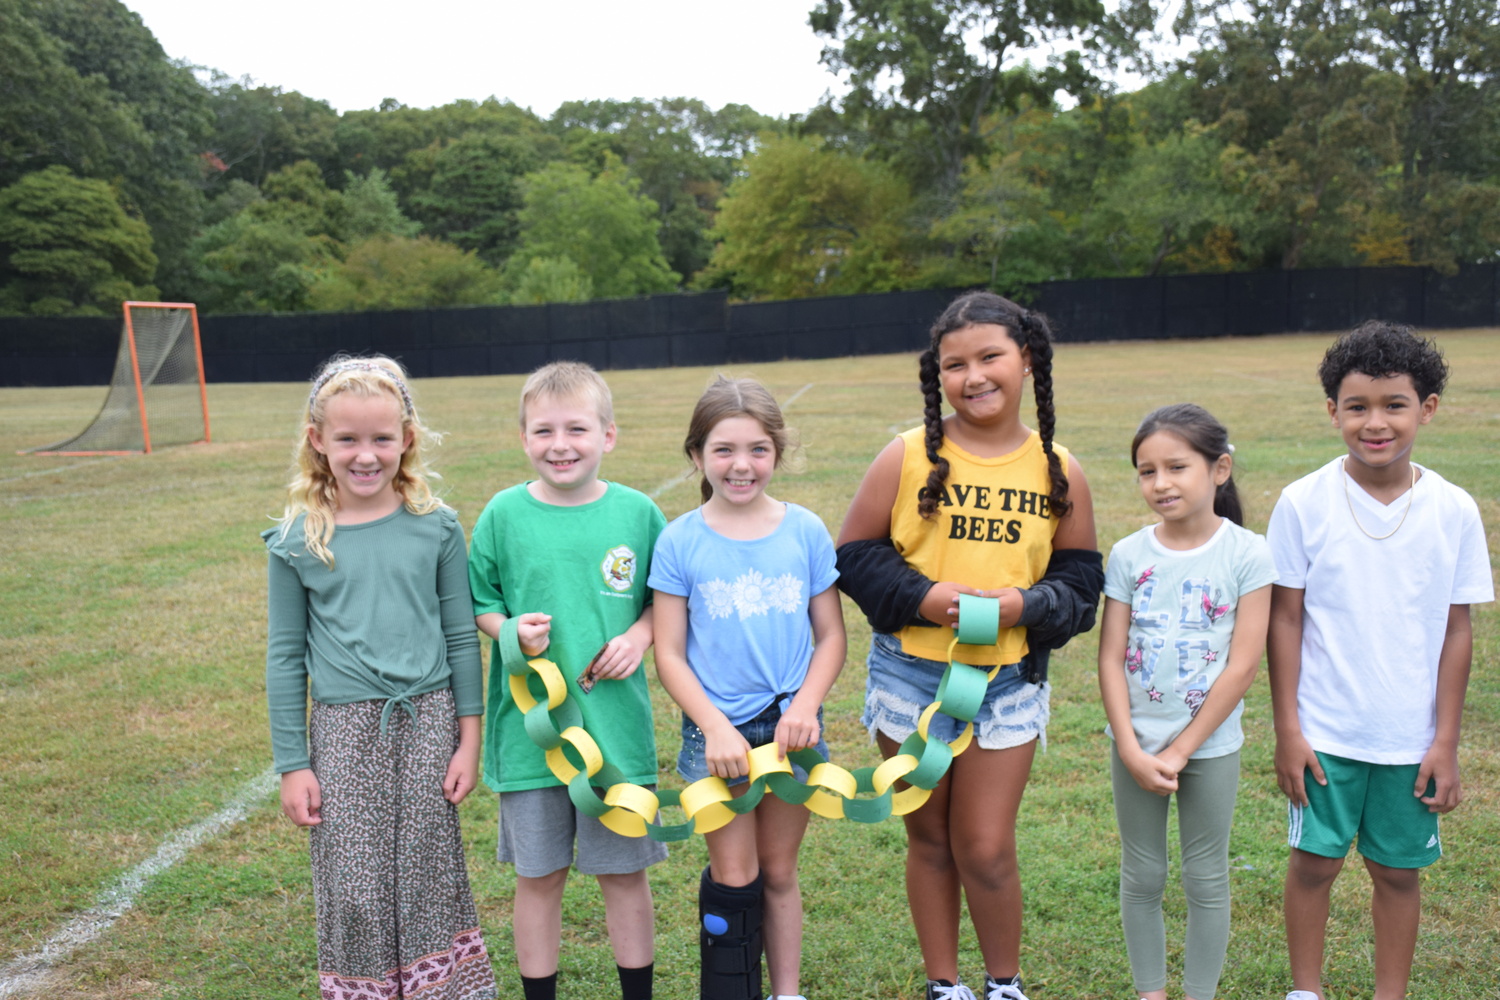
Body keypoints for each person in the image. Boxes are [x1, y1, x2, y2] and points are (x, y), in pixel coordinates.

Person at [835, 291, 1102, 1000]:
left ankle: (1004, 983)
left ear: (1028, 360)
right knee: (929, 841)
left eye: (990, 357)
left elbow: (1081, 582)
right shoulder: (907, 454)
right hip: (911, 677)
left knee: (984, 846)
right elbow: (854, 553)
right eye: (955, 364)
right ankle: (945, 984)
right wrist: (924, 597)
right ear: (937, 375)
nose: (974, 376)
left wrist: (1026, 605)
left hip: (1006, 683)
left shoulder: (1058, 468)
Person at [1267, 321, 1493, 1000]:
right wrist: (1288, 729)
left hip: (1409, 740)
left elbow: (1458, 631)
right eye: (1357, 406)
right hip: (1325, 735)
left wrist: (1445, 742)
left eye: (1394, 404)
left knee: (1398, 874)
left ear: (1427, 408)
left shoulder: (1453, 509)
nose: (1375, 422)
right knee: (1313, 866)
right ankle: (1306, 990)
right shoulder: (1302, 502)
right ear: (1331, 409)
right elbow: (1285, 618)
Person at [264, 355, 497, 1000]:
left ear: (407, 438)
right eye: (347, 440)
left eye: (381, 439)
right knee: (357, 885)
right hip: (342, 736)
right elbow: (285, 657)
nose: (366, 456)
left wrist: (468, 741)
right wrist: (293, 763)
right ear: (318, 441)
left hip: (429, 723)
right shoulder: (297, 539)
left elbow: (458, 638)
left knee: (426, 874)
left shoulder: (438, 526)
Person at [468, 361, 666, 1000]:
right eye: (543, 431)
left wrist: (639, 636)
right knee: (541, 876)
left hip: (616, 736)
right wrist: (507, 632)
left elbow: (666, 599)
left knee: (623, 876)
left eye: (577, 429)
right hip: (534, 738)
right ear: (523, 438)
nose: (560, 444)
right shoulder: (503, 514)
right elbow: (480, 599)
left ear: (608, 436)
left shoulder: (639, 514)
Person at [649, 375, 847, 1000]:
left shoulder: (805, 529)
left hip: (792, 729)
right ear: (697, 456)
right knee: (736, 877)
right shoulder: (680, 540)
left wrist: (807, 707)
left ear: (777, 452)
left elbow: (833, 637)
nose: (741, 465)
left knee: (780, 873)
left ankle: (787, 992)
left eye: (758, 449)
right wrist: (714, 727)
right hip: (720, 737)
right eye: (724, 450)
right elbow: (670, 653)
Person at [1097, 404, 1276, 1000]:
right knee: (1142, 873)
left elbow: (1243, 664)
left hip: (1209, 747)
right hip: (1135, 746)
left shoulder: (1249, 554)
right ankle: (1151, 992)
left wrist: (1180, 751)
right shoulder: (1128, 554)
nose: (1161, 483)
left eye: (1176, 467)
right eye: (1146, 472)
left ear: (1219, 469)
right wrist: (1131, 746)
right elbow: (1110, 657)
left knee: (1206, 875)